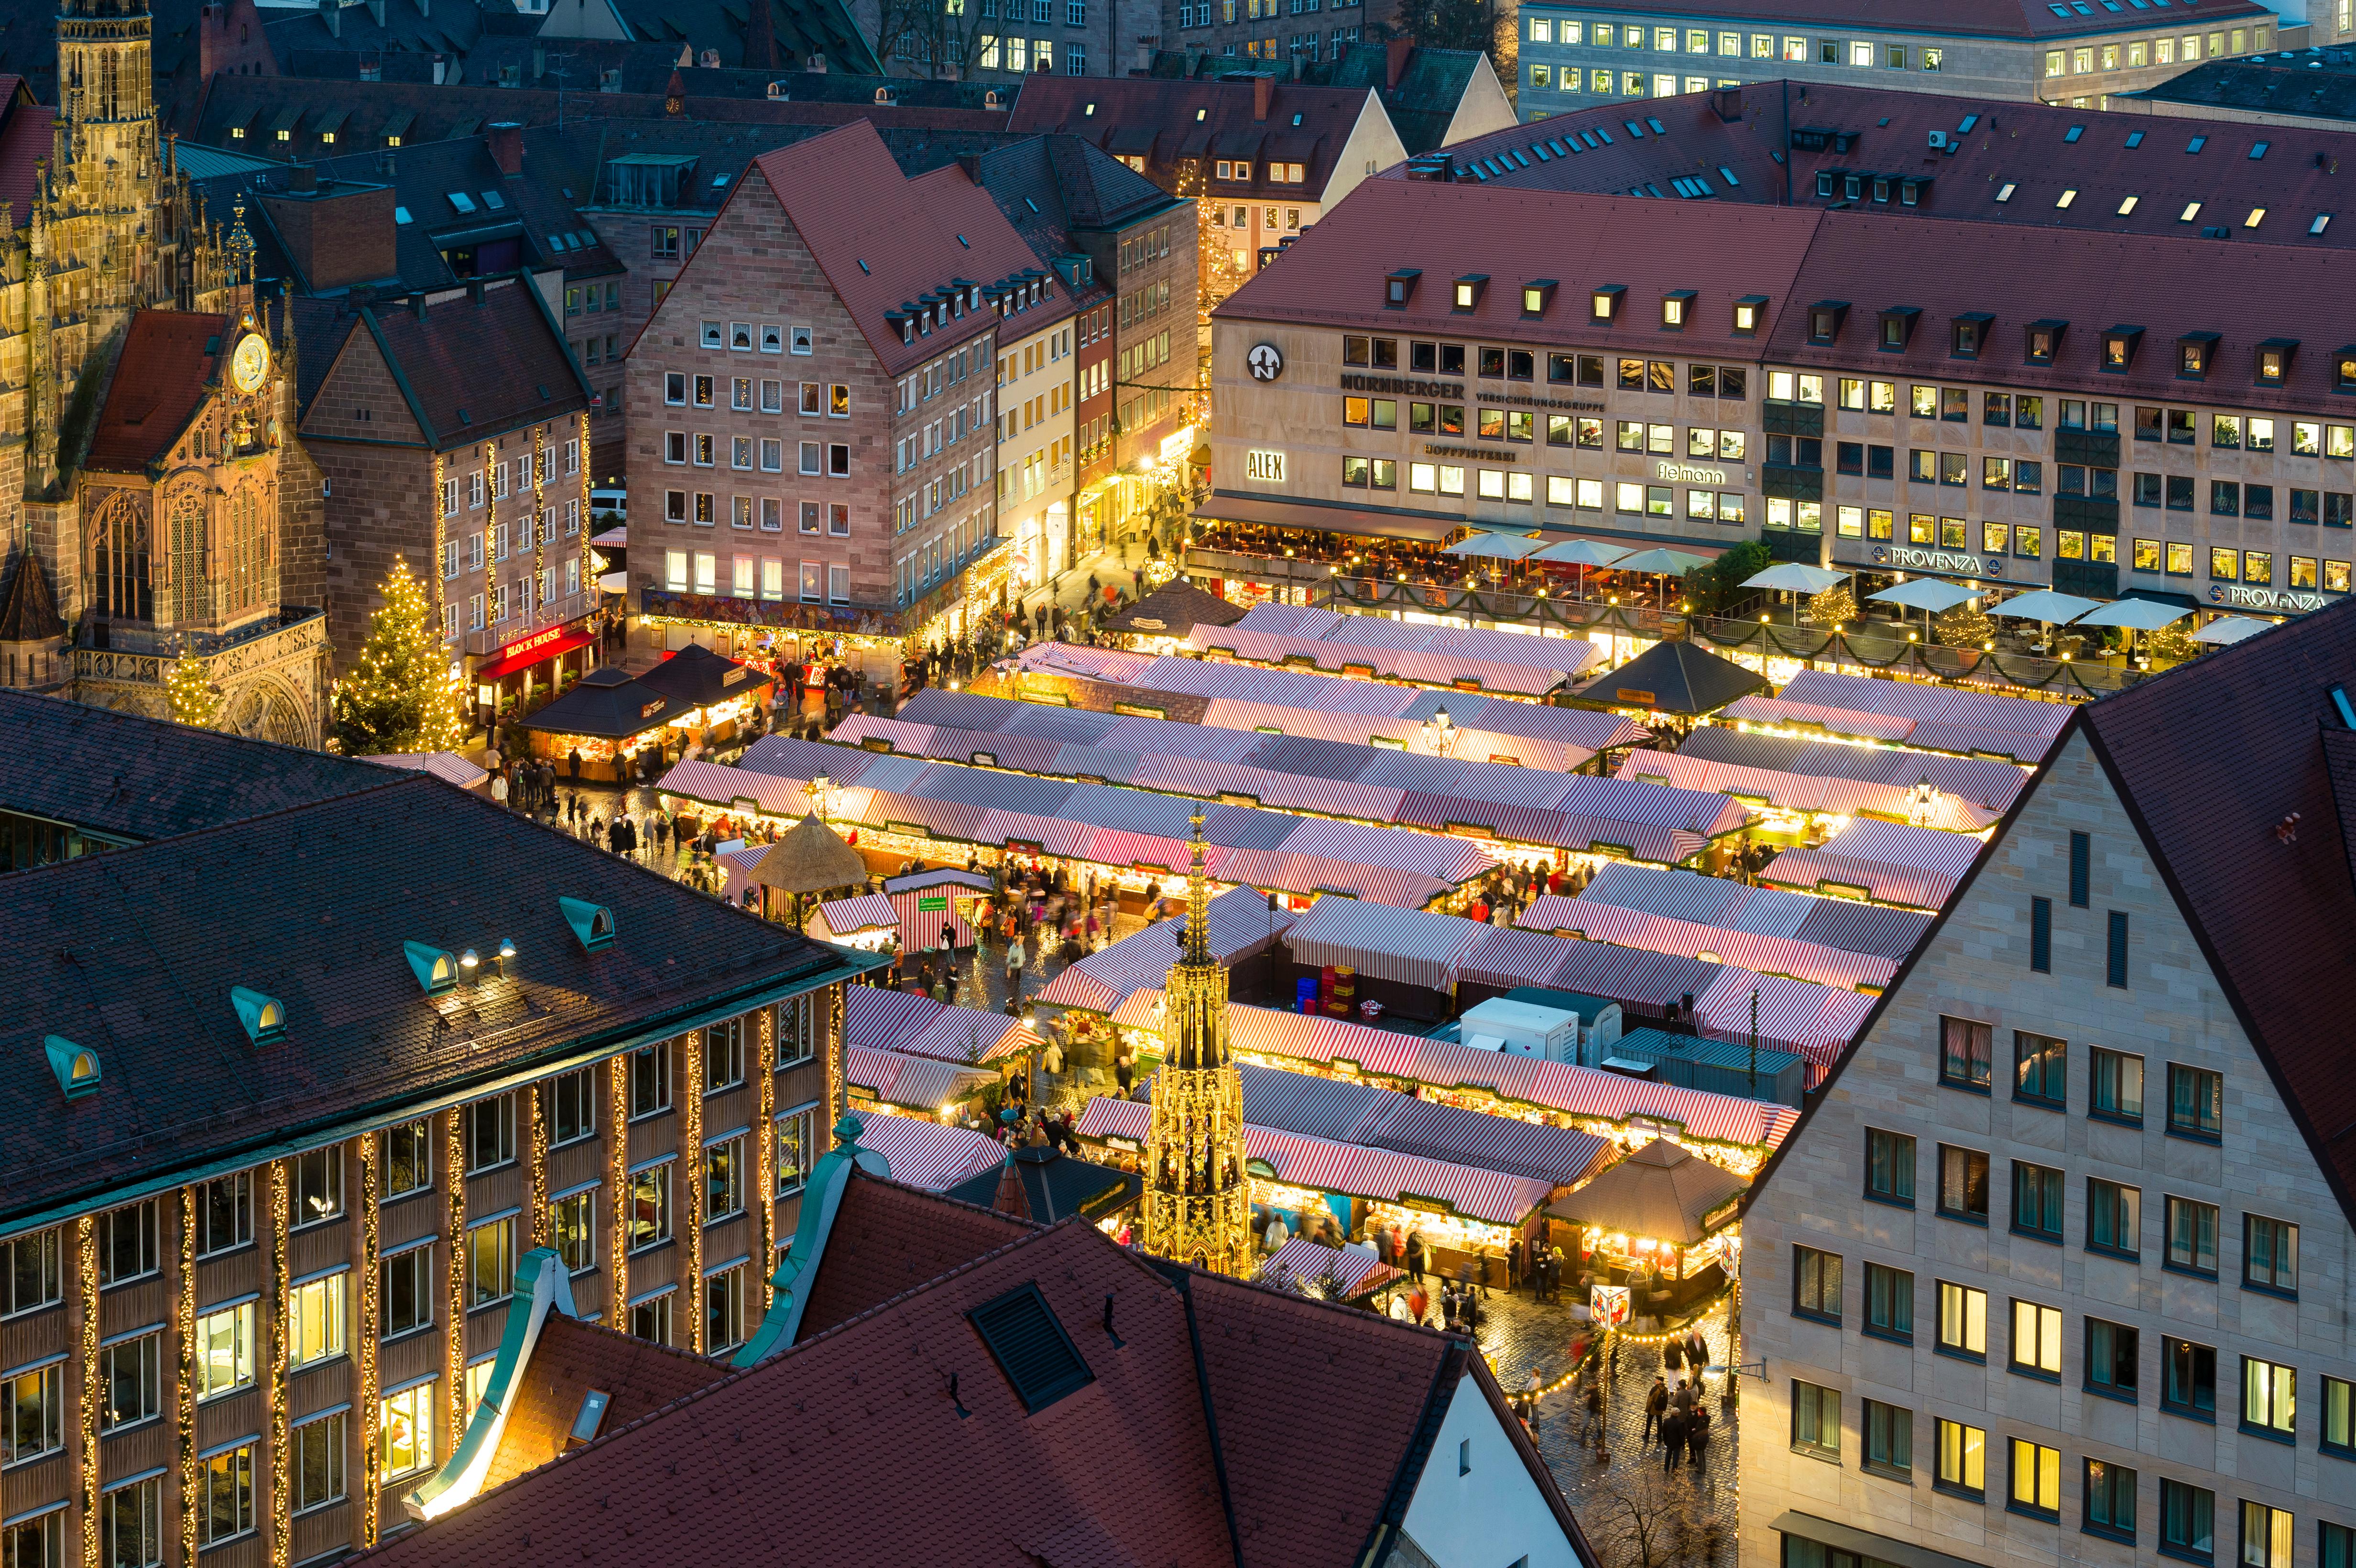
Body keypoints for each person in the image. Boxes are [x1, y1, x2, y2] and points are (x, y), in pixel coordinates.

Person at [1660, 1405, 1687, 1471]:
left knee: (1668, 1456)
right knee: (1676, 1457)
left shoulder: (1666, 1421)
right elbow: (1681, 1435)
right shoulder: (1679, 1424)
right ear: (1677, 1414)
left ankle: (1666, 1469)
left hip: (1669, 1442)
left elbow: (1664, 1432)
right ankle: (1674, 1470)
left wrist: (1665, 1440)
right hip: (1677, 1444)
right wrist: (1682, 1444)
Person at [1643, 1377, 1669, 1446]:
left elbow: (1650, 1400)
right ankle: (1659, 1438)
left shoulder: (1655, 1389)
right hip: (1660, 1410)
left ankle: (1647, 1436)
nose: (1655, 1381)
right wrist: (1664, 1409)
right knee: (1660, 1423)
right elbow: (1666, 1400)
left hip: (1653, 1409)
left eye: (1657, 1380)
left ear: (1659, 1382)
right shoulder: (1666, 1390)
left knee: (1649, 1422)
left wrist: (1647, 1409)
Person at [1580, 1379, 1605, 1445]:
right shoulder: (1592, 1391)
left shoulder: (1595, 1392)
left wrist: (1587, 1397)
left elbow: (1595, 1399)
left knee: (1596, 1424)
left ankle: (1599, 1436)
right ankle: (1584, 1438)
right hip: (1591, 1409)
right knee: (1587, 1423)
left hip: (1594, 1410)